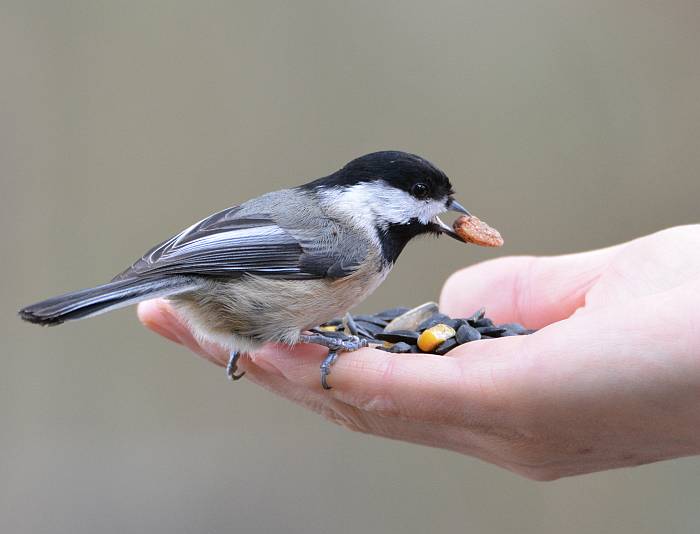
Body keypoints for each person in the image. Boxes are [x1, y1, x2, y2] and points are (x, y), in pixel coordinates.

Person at [137, 225, 700, 480]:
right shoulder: (351, 240)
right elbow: (248, 268)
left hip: (208, 271)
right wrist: (329, 338)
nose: (445, 211)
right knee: (303, 329)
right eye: (429, 197)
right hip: (225, 276)